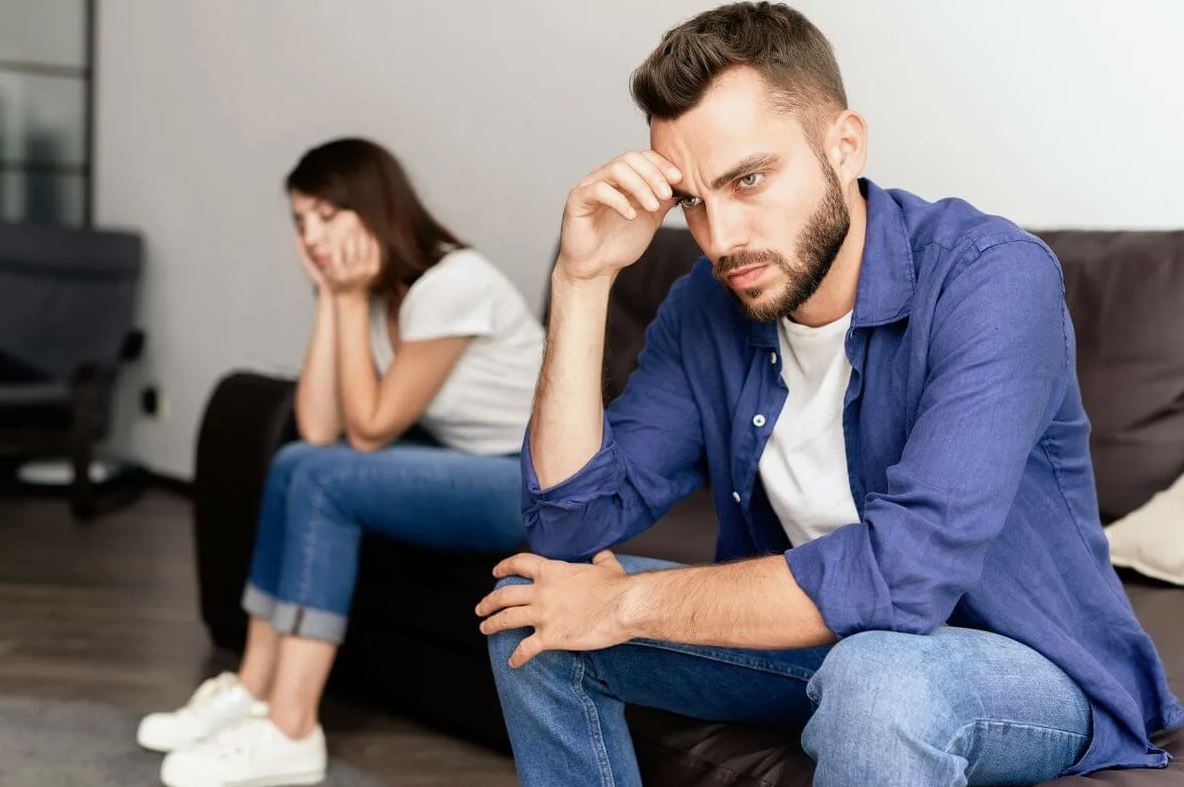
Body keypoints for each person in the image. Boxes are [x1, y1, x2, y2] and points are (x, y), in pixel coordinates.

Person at [476, 4, 1183, 785]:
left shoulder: (993, 278)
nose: (721, 238)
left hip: (1023, 666)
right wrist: (582, 280)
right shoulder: (706, 305)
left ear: (844, 145)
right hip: (828, 642)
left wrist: (624, 604)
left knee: (879, 679)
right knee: (529, 611)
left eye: (749, 179)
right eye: (693, 201)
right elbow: (568, 527)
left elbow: (904, 573)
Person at [138, 137, 544, 787]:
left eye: (328, 216)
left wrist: (348, 300)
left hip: (537, 483)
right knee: (296, 462)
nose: (313, 237)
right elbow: (319, 426)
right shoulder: (376, 295)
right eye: (301, 222)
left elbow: (371, 428)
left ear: (376, 207)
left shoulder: (454, 283)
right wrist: (332, 297)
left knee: (323, 477)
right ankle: (253, 687)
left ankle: (292, 729)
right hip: (468, 463)